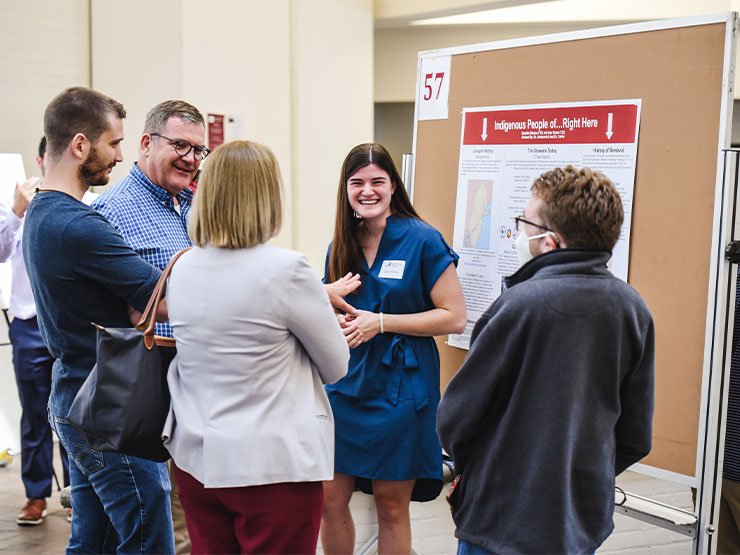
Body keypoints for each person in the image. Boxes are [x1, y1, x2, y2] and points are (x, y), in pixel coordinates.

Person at [437, 166, 655, 554]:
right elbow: (635, 435)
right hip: (579, 521)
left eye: (525, 223)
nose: (521, 233)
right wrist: (583, 476)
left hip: (499, 521)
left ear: (550, 241)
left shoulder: (517, 306)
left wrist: (485, 472)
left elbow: (456, 418)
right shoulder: (633, 308)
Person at [162, 140, 350, 554]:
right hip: (270, 468)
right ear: (267, 196)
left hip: (197, 460)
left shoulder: (182, 267)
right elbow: (336, 365)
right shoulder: (287, 270)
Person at [22, 86, 174, 553]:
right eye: (114, 143)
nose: (120, 155)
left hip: (78, 395)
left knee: (94, 541)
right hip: (105, 406)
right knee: (149, 537)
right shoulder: (78, 225)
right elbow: (161, 298)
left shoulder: (42, 212)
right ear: (81, 145)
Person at [320, 142, 467, 555]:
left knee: (390, 506)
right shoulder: (341, 244)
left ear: (392, 186)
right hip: (345, 386)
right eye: (357, 183)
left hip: (402, 390)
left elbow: (454, 316)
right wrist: (332, 316)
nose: (367, 191)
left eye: (377, 182)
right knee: (329, 501)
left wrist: (381, 323)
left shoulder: (421, 239)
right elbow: (328, 307)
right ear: (345, 190)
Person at [92, 99, 205, 553]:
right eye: (181, 145)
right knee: (168, 523)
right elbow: (126, 312)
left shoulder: (200, 203)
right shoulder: (111, 213)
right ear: (145, 143)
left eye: (200, 151)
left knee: (206, 518)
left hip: (209, 386)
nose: (192, 159)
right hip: (155, 387)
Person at [2, 137, 70, 525]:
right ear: (42, 159)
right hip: (29, 326)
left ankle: (77, 496)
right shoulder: (20, 206)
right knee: (34, 415)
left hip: (70, 325)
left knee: (77, 415)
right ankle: (35, 495)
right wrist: (14, 212)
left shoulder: (87, 204)